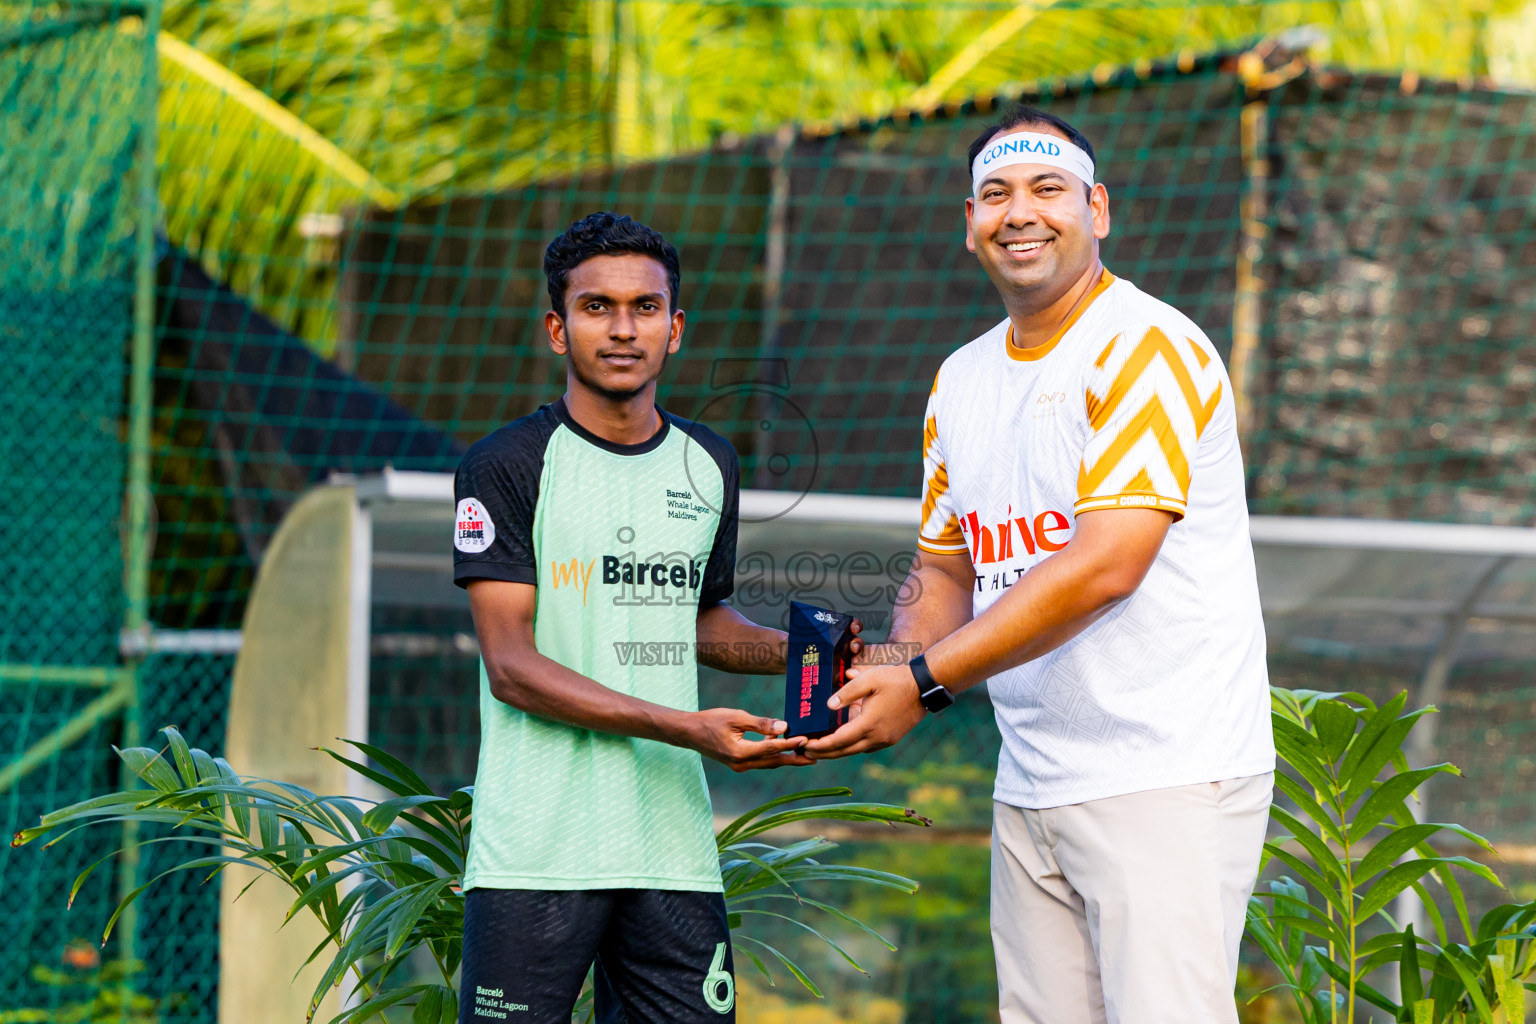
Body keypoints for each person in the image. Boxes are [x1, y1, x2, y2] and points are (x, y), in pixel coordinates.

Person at [804, 107, 1276, 1023]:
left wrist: (927, 683)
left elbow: (1106, 565)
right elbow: (944, 569)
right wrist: (890, 674)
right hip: (1032, 780)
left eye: (1048, 190)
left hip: (1164, 775)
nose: (1020, 212)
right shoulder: (960, 379)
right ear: (968, 222)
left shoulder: (1147, 345)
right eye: (995, 195)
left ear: (1098, 210)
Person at [452, 212, 835, 1024]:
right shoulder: (506, 464)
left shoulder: (709, 463)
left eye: (645, 308)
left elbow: (695, 621)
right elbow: (511, 667)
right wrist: (685, 726)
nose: (623, 329)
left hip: (671, 849)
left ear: (677, 328)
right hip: (535, 858)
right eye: (597, 308)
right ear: (558, 330)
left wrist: (816, 657)